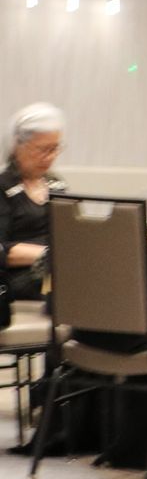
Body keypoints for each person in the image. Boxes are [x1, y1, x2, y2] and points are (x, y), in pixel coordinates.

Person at [1, 103, 67, 329]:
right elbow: (2, 249)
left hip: (55, 271)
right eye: (43, 149)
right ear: (18, 145)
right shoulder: (3, 187)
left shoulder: (56, 184)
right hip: (18, 277)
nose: (50, 157)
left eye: (55, 148)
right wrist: (50, 255)